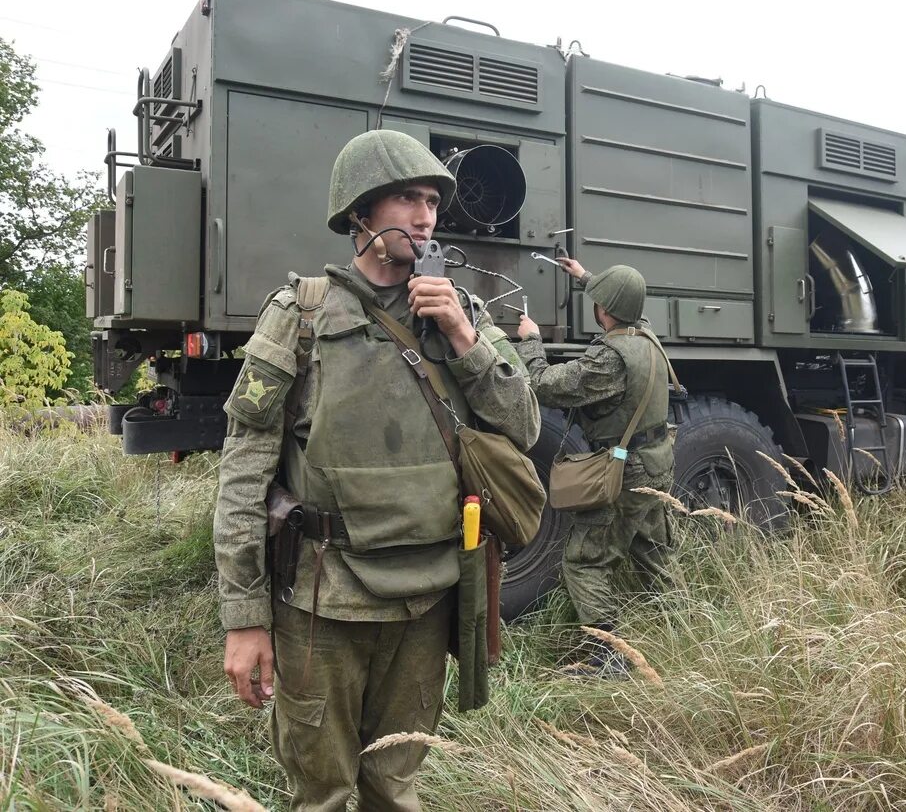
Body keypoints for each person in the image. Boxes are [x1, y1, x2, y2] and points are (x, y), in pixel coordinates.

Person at [213, 129, 539, 811]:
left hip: (428, 597)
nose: (424, 217)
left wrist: (465, 341)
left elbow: (524, 427)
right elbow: (243, 473)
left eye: (431, 202)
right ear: (361, 210)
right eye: (406, 198)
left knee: (395, 787)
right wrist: (244, 617)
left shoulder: (462, 313)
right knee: (324, 793)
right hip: (322, 601)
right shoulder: (300, 313)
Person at [515, 257, 675, 676]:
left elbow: (545, 385)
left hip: (624, 470)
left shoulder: (610, 358)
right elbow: (626, 306)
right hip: (656, 461)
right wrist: (587, 278)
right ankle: (680, 625)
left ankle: (609, 656)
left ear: (604, 310)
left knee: (585, 561)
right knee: (652, 551)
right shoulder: (647, 335)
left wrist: (530, 342)